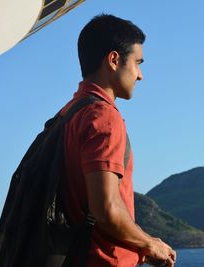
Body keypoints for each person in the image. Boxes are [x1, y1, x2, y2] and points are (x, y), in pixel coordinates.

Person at [59, 14, 176, 267]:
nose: (140, 75)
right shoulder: (103, 117)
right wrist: (149, 244)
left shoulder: (67, 114)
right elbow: (106, 209)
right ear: (114, 60)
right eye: (137, 63)